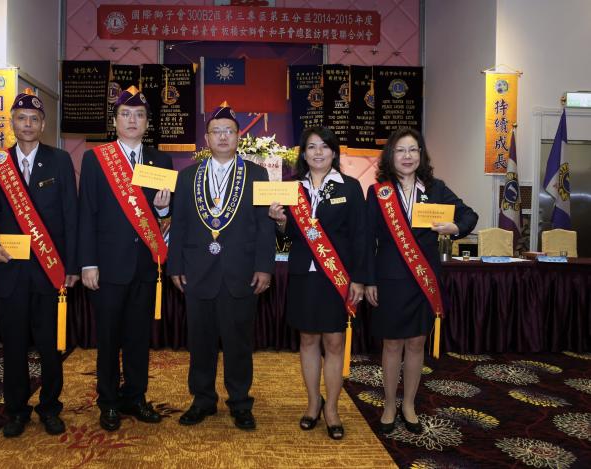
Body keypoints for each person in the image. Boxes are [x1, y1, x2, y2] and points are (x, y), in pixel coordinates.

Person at [167, 102, 275, 430]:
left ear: (239, 136)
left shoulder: (257, 174)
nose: (223, 136)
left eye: (229, 131)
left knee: (238, 343)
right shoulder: (187, 177)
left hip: (240, 273)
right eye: (217, 131)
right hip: (197, 272)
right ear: (207, 138)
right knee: (200, 342)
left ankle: (240, 403)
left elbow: (265, 225)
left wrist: (265, 267)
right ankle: (202, 400)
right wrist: (175, 266)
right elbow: (179, 225)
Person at [364, 128, 478, 435]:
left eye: (413, 150)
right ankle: (390, 404)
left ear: (421, 155)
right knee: (392, 344)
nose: (407, 156)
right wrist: (369, 280)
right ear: (390, 155)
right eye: (400, 150)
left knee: (416, 344)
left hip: (423, 279)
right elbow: (367, 240)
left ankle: (409, 405)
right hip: (389, 280)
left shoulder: (436, 189)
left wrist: (454, 227)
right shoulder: (378, 192)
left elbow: (469, 215)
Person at [0, 89, 79, 438]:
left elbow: (70, 215)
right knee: (14, 347)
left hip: (50, 272)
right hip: (10, 271)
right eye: (21, 118)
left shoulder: (59, 160)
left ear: (43, 125)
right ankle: (17, 410)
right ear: (12, 123)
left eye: (34, 119)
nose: (27, 124)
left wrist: (72, 266)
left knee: (51, 347)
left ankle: (50, 407)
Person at [78, 86, 172, 432]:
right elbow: (87, 213)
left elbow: (166, 213)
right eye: (126, 114)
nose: (133, 120)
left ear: (147, 122)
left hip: (145, 266)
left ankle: (135, 396)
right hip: (107, 267)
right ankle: (108, 402)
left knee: (138, 338)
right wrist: (88, 263)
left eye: (139, 115)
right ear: (115, 121)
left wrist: (161, 209)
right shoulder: (96, 158)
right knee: (108, 339)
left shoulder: (161, 161)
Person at [267, 127, 366, 440]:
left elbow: (361, 237)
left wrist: (360, 278)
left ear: (334, 152)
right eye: (311, 147)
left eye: (324, 146)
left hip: (337, 277)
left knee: (334, 341)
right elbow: (289, 235)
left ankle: (332, 409)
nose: (318, 152)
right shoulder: (292, 187)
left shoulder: (350, 187)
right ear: (304, 153)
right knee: (308, 340)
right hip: (303, 275)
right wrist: (281, 222)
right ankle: (313, 404)